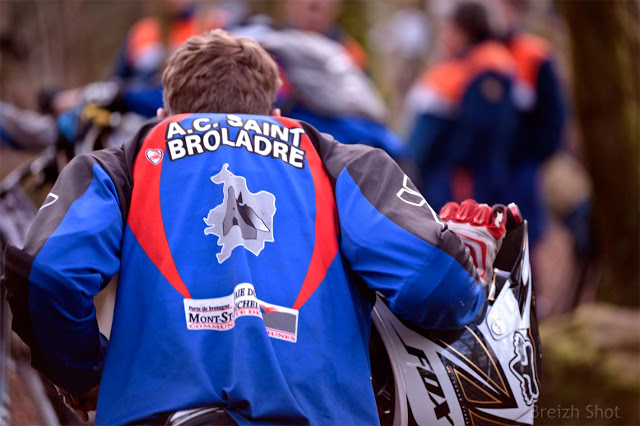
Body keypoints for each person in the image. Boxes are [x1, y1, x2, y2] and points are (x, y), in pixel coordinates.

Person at [2, 30, 507, 425]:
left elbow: (49, 273)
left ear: (163, 115)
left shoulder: (123, 164)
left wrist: (85, 371)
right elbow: (429, 278)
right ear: (275, 114)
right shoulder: (337, 162)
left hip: (155, 415)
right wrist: (471, 286)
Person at [405, 1, 518, 212]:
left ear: (464, 30)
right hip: (446, 175)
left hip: (461, 179)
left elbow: (481, 131)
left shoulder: (486, 65)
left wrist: (452, 160)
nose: (443, 34)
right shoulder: (463, 62)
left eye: (448, 27)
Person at [498, 0, 567, 246]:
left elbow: (554, 115)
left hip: (523, 169)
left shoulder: (534, 54)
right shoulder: (472, 57)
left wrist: (535, 159)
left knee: (524, 241)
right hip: (485, 171)